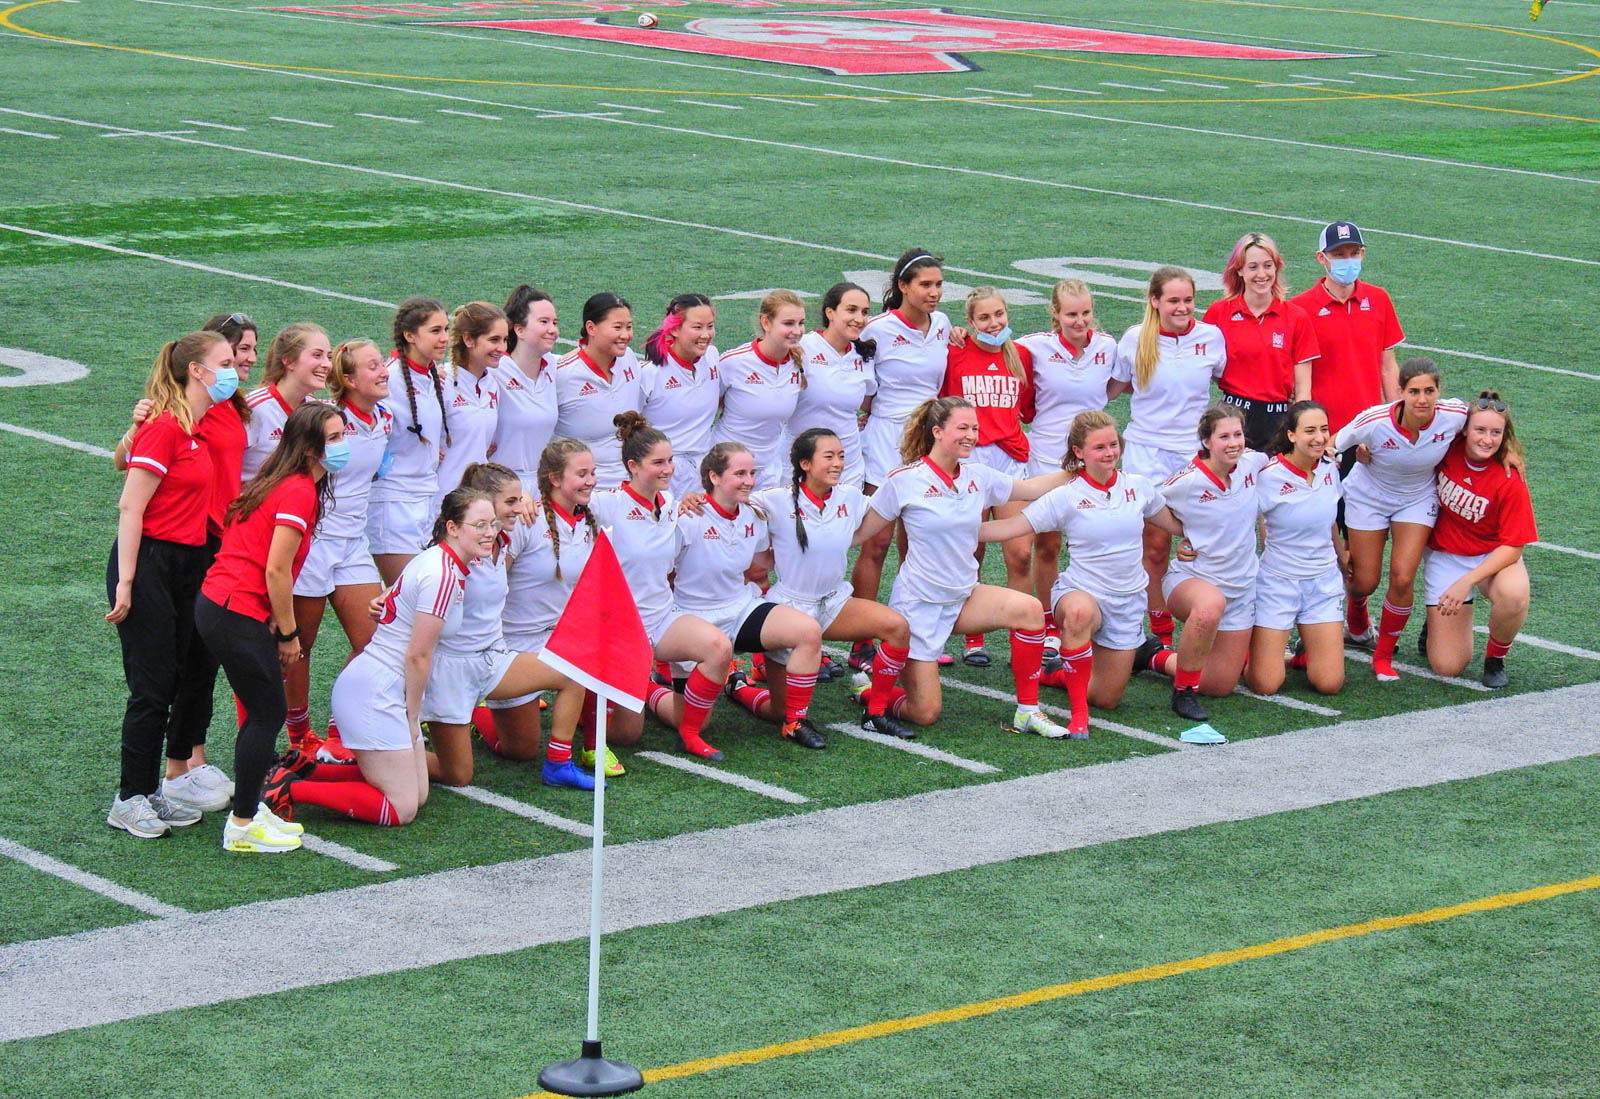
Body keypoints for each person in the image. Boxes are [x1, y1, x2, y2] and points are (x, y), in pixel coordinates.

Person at [263, 489, 499, 829]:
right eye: (479, 525)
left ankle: (308, 769)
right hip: (375, 692)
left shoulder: (437, 558)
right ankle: (290, 788)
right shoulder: (443, 573)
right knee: (403, 808)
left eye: (491, 524)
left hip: (378, 685)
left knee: (418, 794)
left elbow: (391, 605)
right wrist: (413, 714)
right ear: (453, 527)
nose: (489, 532)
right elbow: (417, 655)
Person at [852, 396, 1070, 736]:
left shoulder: (979, 476)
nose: (971, 435)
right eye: (962, 428)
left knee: (1029, 610)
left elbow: (1030, 488)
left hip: (965, 598)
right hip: (919, 606)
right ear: (937, 432)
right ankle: (867, 691)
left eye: (974, 429)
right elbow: (860, 533)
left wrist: (1079, 469)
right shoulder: (903, 480)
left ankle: (1028, 710)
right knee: (924, 713)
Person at [112, 311, 258, 811]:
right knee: (152, 687)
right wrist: (127, 582)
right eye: (226, 360)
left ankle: (158, 787)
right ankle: (131, 797)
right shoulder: (168, 426)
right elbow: (131, 505)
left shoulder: (191, 429)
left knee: (178, 675)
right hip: (152, 562)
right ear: (197, 370)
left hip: (188, 557)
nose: (238, 368)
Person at [195, 402, 346, 852]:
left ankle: (250, 809)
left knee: (264, 711)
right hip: (235, 608)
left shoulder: (282, 481)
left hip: (224, 604)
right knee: (267, 713)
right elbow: (276, 571)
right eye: (335, 439)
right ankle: (242, 825)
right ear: (310, 449)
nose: (344, 446)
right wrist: (287, 633)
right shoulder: (298, 490)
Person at [984, 411, 1186, 735]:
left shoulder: (1139, 487)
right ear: (1078, 452)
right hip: (1081, 591)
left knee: (1106, 698)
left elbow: (1175, 525)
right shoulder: (1066, 495)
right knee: (1078, 613)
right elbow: (1011, 526)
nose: (1109, 453)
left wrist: (1197, 538)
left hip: (1128, 601)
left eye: (1113, 445)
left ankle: (1056, 672)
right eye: (1099, 448)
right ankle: (1079, 718)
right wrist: (956, 528)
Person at [722, 428, 916, 739]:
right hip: (790, 608)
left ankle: (875, 712)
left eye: (841, 456)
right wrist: (695, 498)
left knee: (897, 627)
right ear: (805, 464)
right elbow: (730, 501)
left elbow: (884, 509)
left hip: (834, 602)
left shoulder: (851, 498)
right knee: (777, 712)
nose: (839, 462)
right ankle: (739, 686)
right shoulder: (774, 500)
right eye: (829, 456)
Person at [416, 463, 589, 789]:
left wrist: (522, 496)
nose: (519, 507)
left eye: (518, 499)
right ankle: (378, 757)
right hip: (451, 670)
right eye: (510, 502)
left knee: (571, 671)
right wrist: (386, 595)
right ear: (484, 504)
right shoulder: (452, 551)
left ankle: (558, 764)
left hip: (494, 659)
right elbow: (418, 578)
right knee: (458, 776)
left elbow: (527, 503)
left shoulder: (504, 539)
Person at [586, 413, 733, 760]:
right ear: (633, 466)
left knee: (718, 648)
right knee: (626, 736)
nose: (668, 468)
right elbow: (563, 504)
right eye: (658, 463)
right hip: (619, 626)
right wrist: (533, 504)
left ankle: (688, 731)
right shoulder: (607, 504)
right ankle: (593, 699)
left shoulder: (670, 503)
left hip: (661, 616)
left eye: (670, 460)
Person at [671, 443, 828, 749]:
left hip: (740, 608)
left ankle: (794, 721)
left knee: (808, 631)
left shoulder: (753, 516)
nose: (749, 480)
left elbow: (763, 561)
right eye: (739, 473)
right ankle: (651, 689)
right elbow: (663, 572)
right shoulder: (688, 516)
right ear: (714, 477)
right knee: (692, 722)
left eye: (752, 473)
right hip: (695, 616)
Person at [283, 338, 393, 765]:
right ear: (347, 380)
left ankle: (339, 725)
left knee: (376, 639)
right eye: (372, 366)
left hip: (353, 545)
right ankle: (298, 734)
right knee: (299, 646)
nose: (383, 371)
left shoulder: (384, 417)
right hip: (313, 543)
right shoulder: (328, 421)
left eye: (382, 363)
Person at [1108, 266, 1226, 648]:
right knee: (1155, 546)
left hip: (1196, 456)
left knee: (1203, 543)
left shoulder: (1211, 337)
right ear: (1155, 301)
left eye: (1188, 300)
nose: (1182, 307)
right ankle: (1159, 633)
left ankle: (1208, 623)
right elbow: (1114, 387)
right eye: (1173, 300)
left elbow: (1226, 382)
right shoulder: (1134, 339)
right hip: (1147, 454)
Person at [1335, 357, 1469, 681]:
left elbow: (1490, 423)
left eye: (1429, 390)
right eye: (1414, 391)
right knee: (1364, 581)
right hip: (1369, 495)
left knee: (1403, 576)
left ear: (1439, 391)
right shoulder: (1375, 420)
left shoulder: (1454, 414)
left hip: (1417, 497)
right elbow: (1332, 445)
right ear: (1400, 392)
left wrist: (1508, 451)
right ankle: (1357, 617)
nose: (1422, 399)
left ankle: (1382, 657)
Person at [851, 250, 953, 669]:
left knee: (920, 544)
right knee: (877, 540)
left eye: (938, 285)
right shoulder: (876, 329)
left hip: (927, 443)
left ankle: (915, 631)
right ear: (903, 287)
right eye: (925, 285)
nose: (933, 292)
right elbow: (859, 386)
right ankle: (861, 637)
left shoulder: (944, 325)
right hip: (885, 441)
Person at [488, 439, 615, 776]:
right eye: (582, 473)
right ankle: (476, 715)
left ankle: (582, 749)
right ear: (556, 479)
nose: (591, 480)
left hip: (560, 639)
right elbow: (491, 585)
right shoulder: (526, 521)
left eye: (593, 472)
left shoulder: (592, 516)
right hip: (513, 642)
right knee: (521, 750)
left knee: (627, 728)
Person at [1016, 280, 1119, 660]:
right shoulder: (1034, 345)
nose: (1080, 321)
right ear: (1055, 313)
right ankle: (1047, 623)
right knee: (1047, 544)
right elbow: (992, 344)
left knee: (1094, 538)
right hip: (1045, 458)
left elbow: (1113, 388)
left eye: (1086, 312)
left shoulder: (1107, 347)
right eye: (1071, 314)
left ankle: (1091, 616)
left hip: (1091, 461)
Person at [1144, 406, 1271, 714]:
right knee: (1209, 606)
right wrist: (1181, 533)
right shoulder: (1186, 482)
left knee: (1218, 685)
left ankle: (1152, 656)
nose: (1233, 443)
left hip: (1240, 591)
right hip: (1193, 580)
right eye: (1223, 436)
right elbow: (1146, 503)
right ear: (1206, 441)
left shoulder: (1253, 463)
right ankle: (1183, 693)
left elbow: (1285, 464)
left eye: (1238, 435)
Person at [941, 286, 1035, 666]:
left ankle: (1023, 640)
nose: (994, 323)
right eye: (984, 317)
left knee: (1021, 553)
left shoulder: (1022, 356)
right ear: (970, 322)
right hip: (970, 462)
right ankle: (972, 636)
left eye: (999, 315)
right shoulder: (956, 353)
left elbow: (1027, 410)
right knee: (971, 551)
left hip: (1011, 461)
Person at [1424, 393, 1536, 688]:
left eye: (1496, 433)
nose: (1487, 440)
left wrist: (1466, 582)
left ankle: (1495, 660)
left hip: (1491, 556)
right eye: (1480, 431)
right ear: (1464, 430)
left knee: (1514, 596)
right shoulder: (1446, 447)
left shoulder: (1510, 477)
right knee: (1447, 666)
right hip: (1446, 553)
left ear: (1505, 435)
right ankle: (1432, 624)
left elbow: (1513, 546)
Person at [1247, 401, 1348, 698]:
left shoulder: (1331, 467)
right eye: (1310, 431)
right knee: (1265, 684)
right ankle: (1249, 652)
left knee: (1329, 683)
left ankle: (1308, 651)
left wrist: (1341, 555)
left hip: (1323, 582)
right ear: (1291, 435)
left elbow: (1327, 518)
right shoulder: (1268, 474)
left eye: (1324, 430)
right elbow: (1244, 519)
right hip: (1278, 583)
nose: (1319, 438)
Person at [1203, 231, 1319, 449]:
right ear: (1239, 270)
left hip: (1277, 419)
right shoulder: (1219, 312)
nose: (1262, 274)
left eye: (1268, 265)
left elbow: (1303, 388)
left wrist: (1300, 426)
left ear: (1276, 268)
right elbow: (1201, 367)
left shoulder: (1296, 317)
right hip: (1231, 416)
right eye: (1253, 267)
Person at [1288, 221, 1404, 437]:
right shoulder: (1299, 308)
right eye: (1339, 255)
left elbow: (1388, 368)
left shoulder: (1380, 299)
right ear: (1321, 258)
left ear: (1362, 254)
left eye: (1353, 253)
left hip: (1370, 428)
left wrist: (1399, 420)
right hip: (1322, 432)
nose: (1348, 260)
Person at [369, 296, 452, 585]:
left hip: (427, 500)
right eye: (435, 331)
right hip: (394, 504)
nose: (445, 338)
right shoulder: (387, 379)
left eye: (446, 329)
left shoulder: (432, 376)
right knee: (408, 601)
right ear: (409, 335)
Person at [713, 290, 808, 490]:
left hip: (770, 469)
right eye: (788, 323)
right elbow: (710, 406)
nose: (797, 330)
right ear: (766, 323)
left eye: (801, 323)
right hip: (727, 465)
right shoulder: (734, 362)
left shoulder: (799, 362)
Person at [787, 282, 876, 489]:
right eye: (851, 310)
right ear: (830, 312)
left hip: (848, 464)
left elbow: (868, 402)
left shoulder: (864, 356)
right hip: (801, 461)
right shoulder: (802, 348)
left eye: (865, 312)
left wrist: (868, 419)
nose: (860, 319)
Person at [554, 292, 645, 488]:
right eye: (617, 327)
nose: (625, 335)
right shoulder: (563, 373)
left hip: (628, 477)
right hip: (581, 483)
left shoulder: (629, 358)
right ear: (591, 328)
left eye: (629, 327)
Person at [640, 293, 722, 498]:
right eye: (697, 327)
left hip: (704, 470)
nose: (705, 334)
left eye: (710, 326)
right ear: (675, 329)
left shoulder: (712, 357)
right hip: (665, 473)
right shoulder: (650, 374)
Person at [432, 302, 506, 514]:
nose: (502, 348)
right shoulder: (441, 381)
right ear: (468, 339)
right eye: (494, 340)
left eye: (504, 340)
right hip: (441, 501)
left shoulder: (492, 384)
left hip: (478, 502)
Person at [492, 285, 561, 496]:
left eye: (555, 322)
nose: (553, 329)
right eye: (544, 322)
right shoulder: (493, 371)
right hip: (498, 486)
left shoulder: (554, 366)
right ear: (519, 329)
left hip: (540, 487)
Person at [241, 322, 333, 480]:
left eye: (329, 357)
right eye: (317, 355)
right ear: (289, 361)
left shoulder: (314, 408)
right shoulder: (254, 408)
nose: (327, 364)